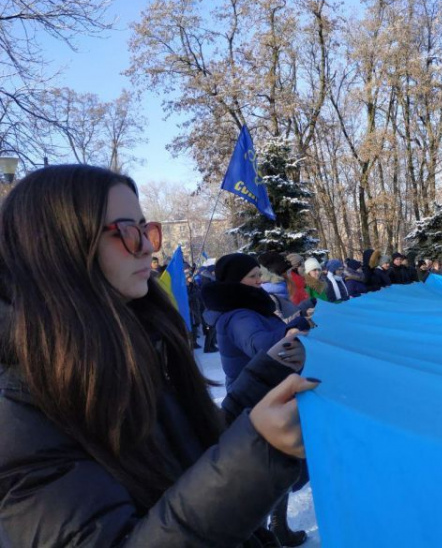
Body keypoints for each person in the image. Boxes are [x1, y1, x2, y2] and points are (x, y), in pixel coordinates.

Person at [0, 165, 318, 547]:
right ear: (60, 247)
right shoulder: (19, 417)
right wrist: (257, 455)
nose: (151, 247)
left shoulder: (141, 345)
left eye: (148, 230)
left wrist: (265, 375)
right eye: (129, 233)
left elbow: (193, 461)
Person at [202, 253, 311, 390]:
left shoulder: (253, 304)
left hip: (262, 390)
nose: (259, 280)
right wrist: (295, 327)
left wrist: (301, 319)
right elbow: (259, 344)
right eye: (252, 276)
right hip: (251, 398)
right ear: (234, 280)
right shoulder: (237, 316)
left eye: (259, 275)